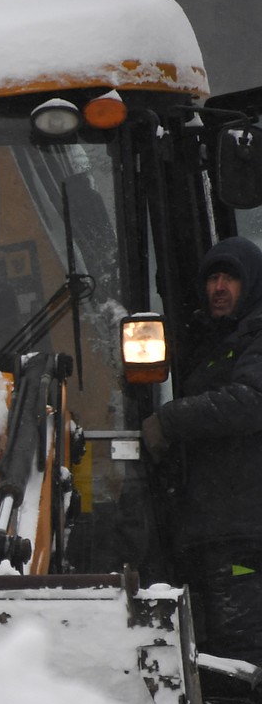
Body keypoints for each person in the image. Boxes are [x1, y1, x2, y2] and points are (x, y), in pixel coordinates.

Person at [142, 236, 262, 668]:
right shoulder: (215, 342)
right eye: (213, 276)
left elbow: (251, 400)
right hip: (216, 529)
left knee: (242, 651)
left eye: (230, 276)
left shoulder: (256, 335)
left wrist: (169, 421)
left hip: (244, 533)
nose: (219, 287)